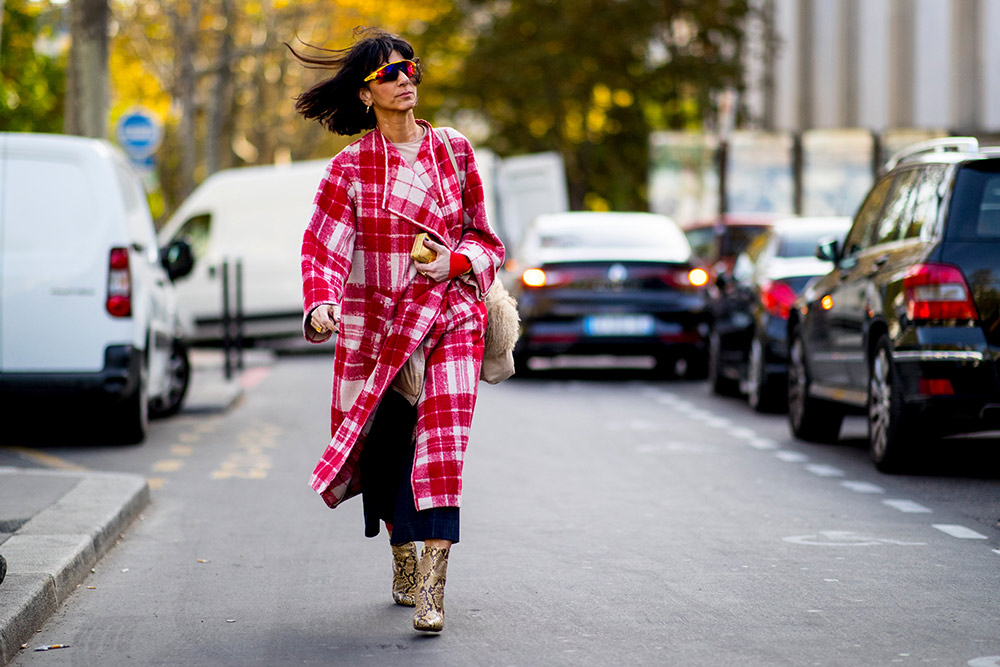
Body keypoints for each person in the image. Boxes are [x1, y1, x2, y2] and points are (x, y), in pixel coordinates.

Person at [288, 28, 504, 633]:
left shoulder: (455, 152)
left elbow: (487, 241)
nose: (405, 78)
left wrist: (454, 263)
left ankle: (434, 592)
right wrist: (321, 305)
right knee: (387, 456)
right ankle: (400, 552)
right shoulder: (349, 169)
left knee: (442, 446)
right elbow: (323, 248)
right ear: (365, 94)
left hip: (452, 315)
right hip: (381, 329)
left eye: (410, 67)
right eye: (389, 73)